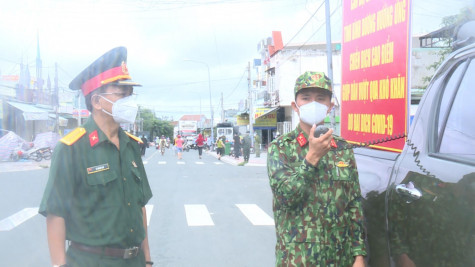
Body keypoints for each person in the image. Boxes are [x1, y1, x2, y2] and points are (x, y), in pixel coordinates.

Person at [39, 47, 153, 267]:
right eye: (121, 94)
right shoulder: (72, 148)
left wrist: (147, 260)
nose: (128, 100)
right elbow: (56, 214)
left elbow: (140, 208)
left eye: (130, 94)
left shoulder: (131, 145)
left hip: (134, 261)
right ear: (97, 101)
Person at [267, 71, 366, 267]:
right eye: (306, 98)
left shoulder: (343, 148)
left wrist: (359, 255)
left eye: (320, 99)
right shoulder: (280, 148)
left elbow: (354, 204)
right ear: (295, 106)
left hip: (340, 258)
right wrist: (311, 157)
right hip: (298, 259)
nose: (313, 103)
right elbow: (286, 197)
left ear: (330, 107)